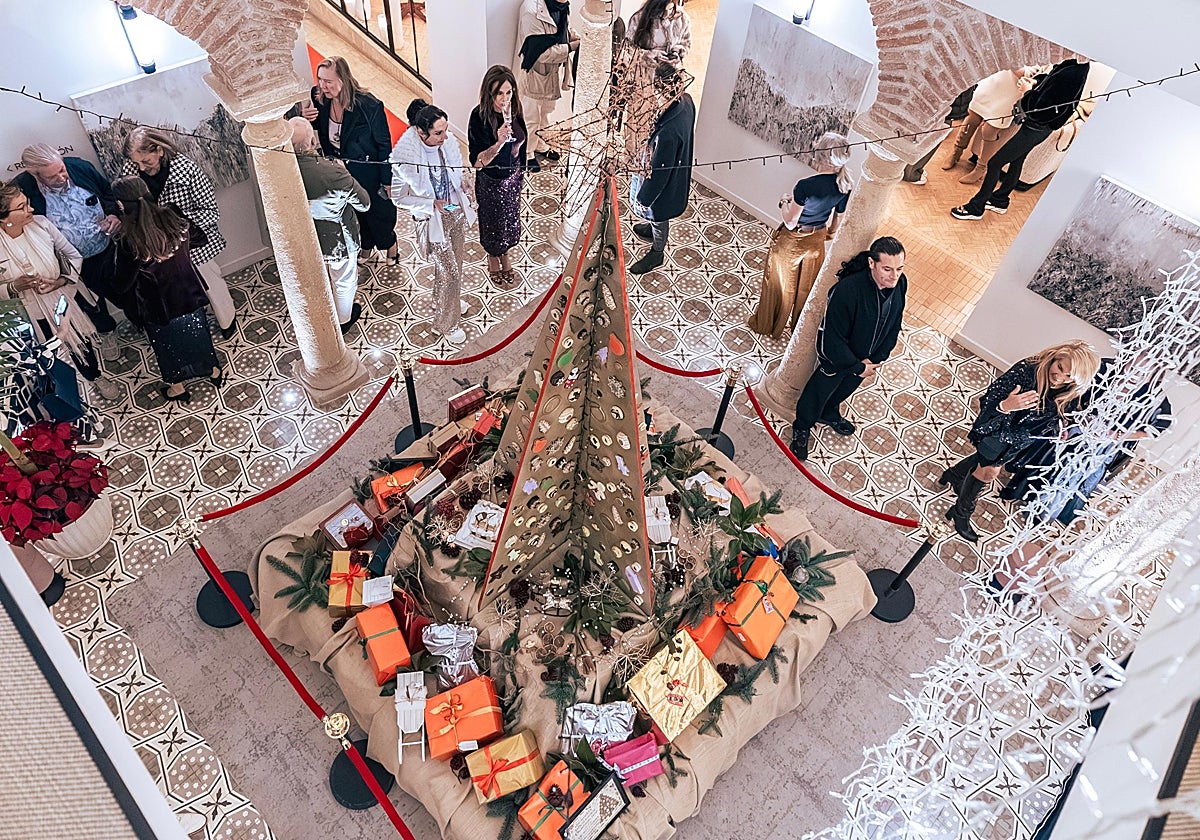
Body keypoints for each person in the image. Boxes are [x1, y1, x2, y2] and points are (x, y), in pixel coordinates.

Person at [939, 339, 1101, 542]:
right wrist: (1006, 406)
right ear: (1055, 356)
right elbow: (989, 399)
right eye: (1059, 367)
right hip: (999, 427)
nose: (1060, 378)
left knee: (988, 460)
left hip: (1021, 438)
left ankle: (955, 474)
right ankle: (960, 513)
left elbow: (1058, 413)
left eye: (1069, 376)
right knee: (989, 471)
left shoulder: (1070, 390)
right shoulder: (1026, 370)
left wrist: (1059, 427)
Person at [999, 356, 1172, 524]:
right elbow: (1074, 390)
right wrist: (1075, 415)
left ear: (1152, 377)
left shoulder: (1155, 399)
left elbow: (1158, 429)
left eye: (1141, 372)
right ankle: (1019, 490)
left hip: (1104, 445)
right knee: (1048, 457)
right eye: (1131, 365)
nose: (1132, 372)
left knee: (1070, 473)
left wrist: (1117, 435)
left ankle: (1043, 513)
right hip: (1077, 425)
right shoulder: (1104, 367)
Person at [789, 236, 907, 462]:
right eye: (887, 269)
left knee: (843, 391)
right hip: (839, 360)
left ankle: (829, 413)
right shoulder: (847, 291)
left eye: (899, 268)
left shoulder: (900, 283)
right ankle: (802, 427)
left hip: (867, 360)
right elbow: (833, 339)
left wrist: (878, 358)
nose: (894, 276)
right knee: (817, 392)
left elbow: (895, 320)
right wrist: (856, 366)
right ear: (872, 263)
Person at [0, 185, 120, 402]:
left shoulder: (42, 224)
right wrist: (15, 287)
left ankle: (95, 375)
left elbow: (73, 255)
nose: (31, 208)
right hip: (29, 312)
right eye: (22, 207)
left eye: (27, 202)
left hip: (61, 300)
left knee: (80, 342)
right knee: (49, 354)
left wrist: (60, 281)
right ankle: (67, 395)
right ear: (3, 219)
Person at [109, 176, 221, 404]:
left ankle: (178, 387)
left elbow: (121, 284)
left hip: (159, 306)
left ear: (121, 205)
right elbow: (200, 238)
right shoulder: (173, 214)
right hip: (190, 292)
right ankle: (213, 372)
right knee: (199, 335)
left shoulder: (128, 240)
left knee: (167, 347)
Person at [120, 127, 236, 338]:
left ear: (159, 150)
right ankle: (192, 334)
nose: (141, 168)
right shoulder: (130, 168)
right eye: (136, 163)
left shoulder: (188, 170)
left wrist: (178, 228)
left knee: (211, 285)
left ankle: (227, 321)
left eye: (146, 161)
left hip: (194, 245)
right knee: (176, 296)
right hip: (157, 250)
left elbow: (211, 212)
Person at [13, 144, 122, 360]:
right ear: (35, 175)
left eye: (61, 169)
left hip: (106, 247)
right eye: (53, 176)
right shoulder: (23, 189)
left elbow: (108, 192)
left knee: (123, 289)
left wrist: (112, 214)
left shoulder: (79, 167)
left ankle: (142, 322)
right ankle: (106, 332)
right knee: (90, 302)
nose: (62, 177)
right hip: (68, 262)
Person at [951, 59, 1090, 221]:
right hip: (1036, 125)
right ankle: (1000, 200)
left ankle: (976, 207)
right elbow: (1049, 84)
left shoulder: (1074, 72)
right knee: (1017, 160)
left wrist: (1028, 91)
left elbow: (1044, 106)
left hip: (1037, 126)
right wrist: (1035, 82)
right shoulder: (1072, 65)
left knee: (995, 162)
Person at [747, 131, 852, 339]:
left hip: (794, 240)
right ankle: (797, 331)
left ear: (821, 155)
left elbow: (790, 221)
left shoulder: (806, 186)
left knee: (780, 285)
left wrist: (784, 201)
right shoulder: (844, 185)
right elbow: (836, 220)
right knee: (804, 289)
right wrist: (827, 235)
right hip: (817, 243)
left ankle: (769, 326)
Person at [390, 99, 477, 346]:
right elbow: (398, 198)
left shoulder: (446, 146)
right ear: (421, 132)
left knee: (455, 265)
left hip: (454, 210)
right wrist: (431, 205)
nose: (445, 136)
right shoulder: (404, 160)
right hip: (431, 220)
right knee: (449, 272)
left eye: (445, 130)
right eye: (438, 133)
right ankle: (445, 324)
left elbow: (453, 175)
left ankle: (447, 301)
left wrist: (463, 182)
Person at [301, 56, 398, 265]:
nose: (323, 86)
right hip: (338, 170)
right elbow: (319, 128)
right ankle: (366, 245)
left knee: (377, 211)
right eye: (320, 79)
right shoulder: (319, 97)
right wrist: (307, 117)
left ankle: (390, 245)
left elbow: (384, 145)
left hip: (367, 170)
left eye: (328, 81)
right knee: (353, 209)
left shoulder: (369, 105)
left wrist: (387, 180)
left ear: (343, 79)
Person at [288, 117, 371, 334]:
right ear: (312, 141)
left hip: (305, 237)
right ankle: (343, 319)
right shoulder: (332, 172)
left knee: (317, 280)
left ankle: (320, 314)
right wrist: (346, 174)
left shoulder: (281, 172)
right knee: (343, 279)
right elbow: (364, 204)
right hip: (337, 239)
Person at [628, 63, 695, 276]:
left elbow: (659, 174)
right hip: (678, 169)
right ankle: (652, 228)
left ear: (659, 89)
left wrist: (644, 198)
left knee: (658, 213)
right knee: (656, 215)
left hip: (667, 181)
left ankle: (657, 252)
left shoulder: (668, 134)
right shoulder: (687, 100)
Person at [468, 65, 528, 288]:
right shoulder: (479, 117)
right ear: (489, 93)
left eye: (509, 92)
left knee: (510, 219)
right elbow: (477, 162)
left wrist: (521, 171)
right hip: (491, 180)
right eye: (499, 93)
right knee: (493, 221)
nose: (505, 99)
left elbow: (523, 141)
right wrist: (499, 141)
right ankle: (493, 256)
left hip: (513, 177)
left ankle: (505, 254)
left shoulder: (515, 109)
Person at [943, 67, 1042, 183]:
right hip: (990, 85)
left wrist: (1026, 73)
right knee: (970, 120)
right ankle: (956, 152)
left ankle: (980, 168)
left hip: (1009, 95)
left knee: (989, 131)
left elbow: (1041, 74)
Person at [514, 0, 579, 172]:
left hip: (552, 73)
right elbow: (540, 53)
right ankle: (526, 154)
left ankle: (539, 145)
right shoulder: (531, 11)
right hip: (534, 73)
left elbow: (560, 31)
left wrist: (573, 36)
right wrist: (571, 47)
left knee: (545, 113)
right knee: (531, 118)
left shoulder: (562, 6)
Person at [623, 0, 692, 159]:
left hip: (669, 82)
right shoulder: (641, 18)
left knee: (664, 128)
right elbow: (628, 50)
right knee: (638, 130)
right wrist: (651, 55)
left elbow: (685, 43)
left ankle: (655, 167)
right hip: (644, 82)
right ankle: (636, 169)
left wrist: (676, 54)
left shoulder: (682, 18)